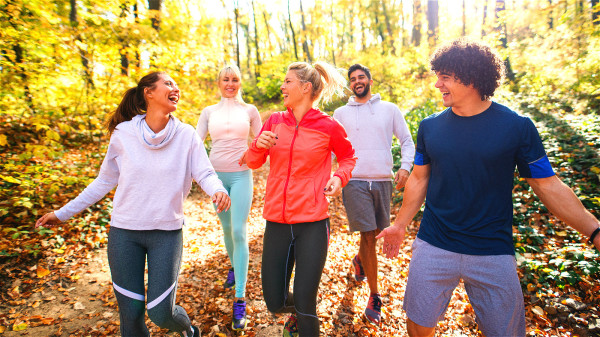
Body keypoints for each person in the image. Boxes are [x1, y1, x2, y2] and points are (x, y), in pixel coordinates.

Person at [376, 38, 600, 337]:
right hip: (434, 244)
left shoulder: (517, 127)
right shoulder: (430, 126)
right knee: (418, 326)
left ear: (470, 77)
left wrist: (594, 230)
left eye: (445, 76)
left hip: (492, 251)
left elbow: (547, 184)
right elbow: (419, 178)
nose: (437, 84)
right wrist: (400, 224)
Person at [35, 71, 231, 337]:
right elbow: (103, 182)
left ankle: (188, 330)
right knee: (131, 314)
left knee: (161, 312)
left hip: (166, 234)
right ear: (148, 92)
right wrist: (62, 213)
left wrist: (217, 190)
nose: (176, 88)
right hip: (124, 234)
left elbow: (205, 173)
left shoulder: (186, 135)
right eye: (168, 84)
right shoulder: (123, 133)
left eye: (176, 84)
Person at [246, 61, 357, 337]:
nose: (282, 87)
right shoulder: (274, 121)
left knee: (306, 301)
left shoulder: (328, 126)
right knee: (275, 301)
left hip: (313, 223)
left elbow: (348, 158)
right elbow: (252, 162)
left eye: (288, 82)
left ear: (305, 88)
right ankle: (295, 314)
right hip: (278, 222)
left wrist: (339, 177)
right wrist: (257, 146)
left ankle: (305, 318)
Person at [332, 63, 415, 324]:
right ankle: (374, 295)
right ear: (350, 84)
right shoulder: (341, 113)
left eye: (361, 77)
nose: (357, 81)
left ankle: (360, 261)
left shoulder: (389, 109)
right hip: (354, 181)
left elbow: (407, 141)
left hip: (382, 181)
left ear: (369, 79)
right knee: (368, 235)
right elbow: (331, 147)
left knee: (372, 235)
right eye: (353, 79)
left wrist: (404, 167)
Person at [195, 64, 262, 331]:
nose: (230, 83)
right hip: (216, 181)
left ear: (240, 83)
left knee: (239, 230)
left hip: (241, 176)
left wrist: (252, 154)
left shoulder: (250, 111)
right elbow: (195, 143)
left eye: (235, 79)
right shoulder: (208, 112)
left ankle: (240, 299)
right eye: (226, 79)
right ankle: (235, 267)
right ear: (219, 83)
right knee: (226, 228)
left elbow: (262, 141)